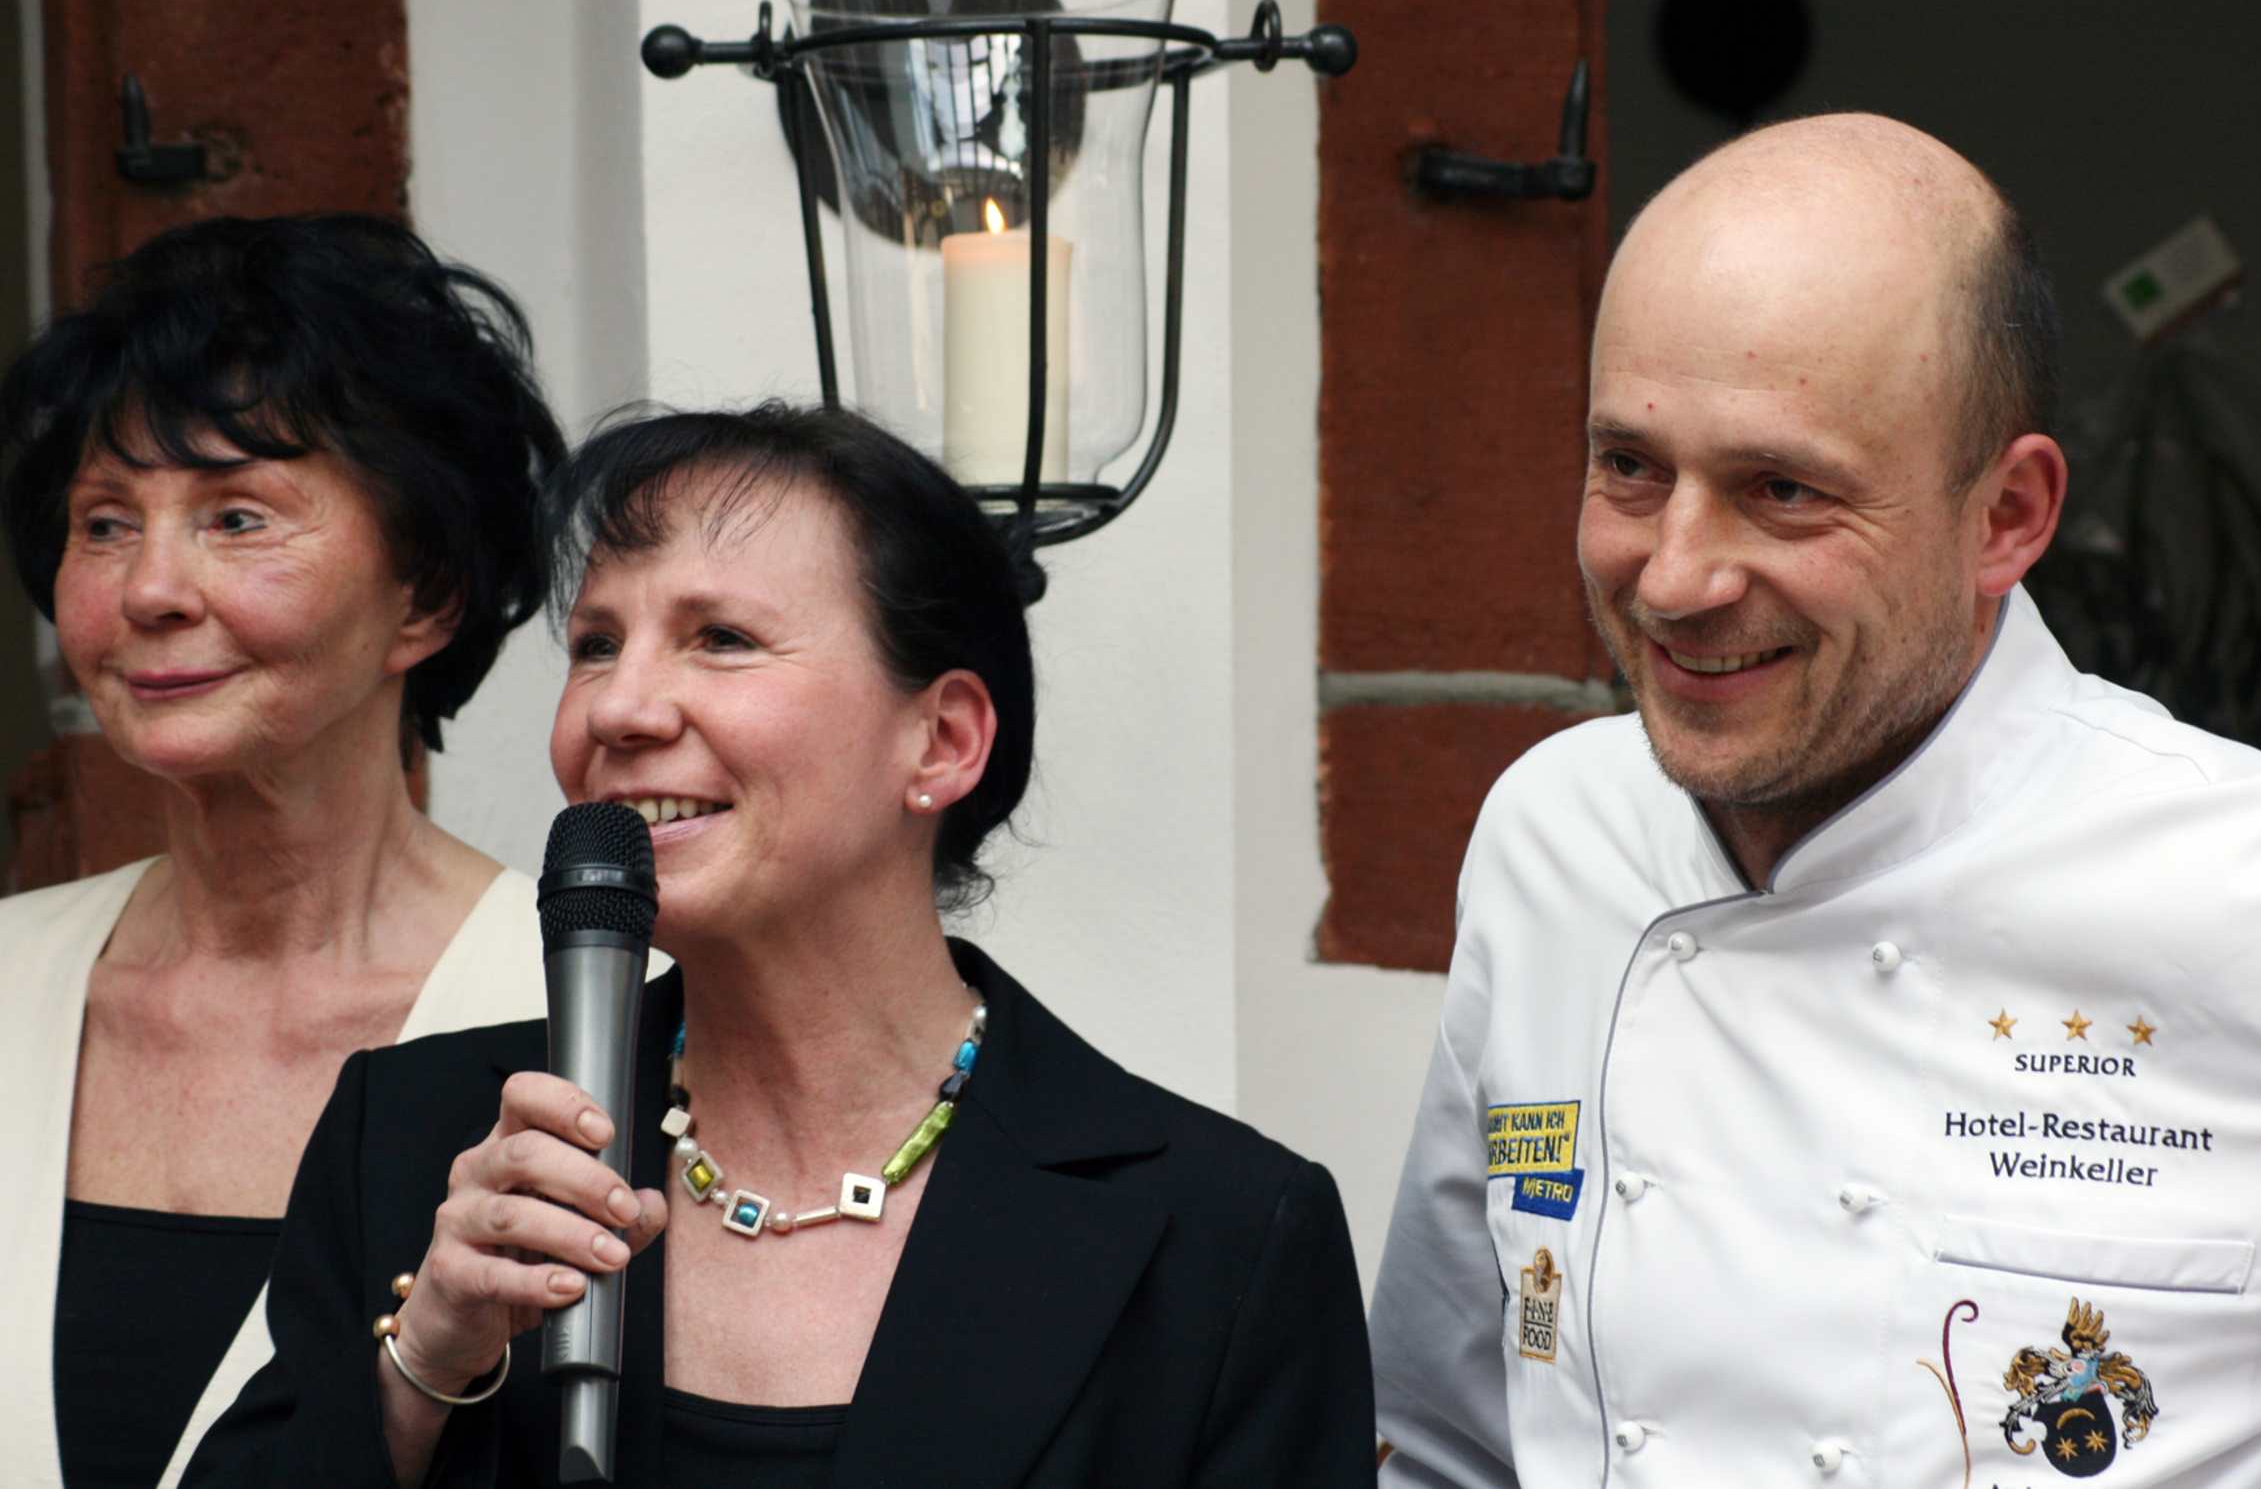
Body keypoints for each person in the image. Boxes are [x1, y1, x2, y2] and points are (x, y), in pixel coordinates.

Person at [1368, 113, 2261, 1485]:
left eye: (1781, 490)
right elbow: (1446, 1438)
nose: (1675, 577)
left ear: (2007, 517)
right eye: (1630, 466)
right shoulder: (1550, 836)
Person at [186, 402, 1376, 1486]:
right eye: (595, 644)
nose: (618, 709)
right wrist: (423, 1364)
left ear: (942, 742)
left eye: (721, 639)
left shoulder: (1217, 1237)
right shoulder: (421, 1144)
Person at [0, 214, 569, 1489]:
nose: (149, 590)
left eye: (238, 517)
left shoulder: (594, 1015)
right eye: (104, 524)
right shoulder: (6, 982)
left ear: (425, 595)